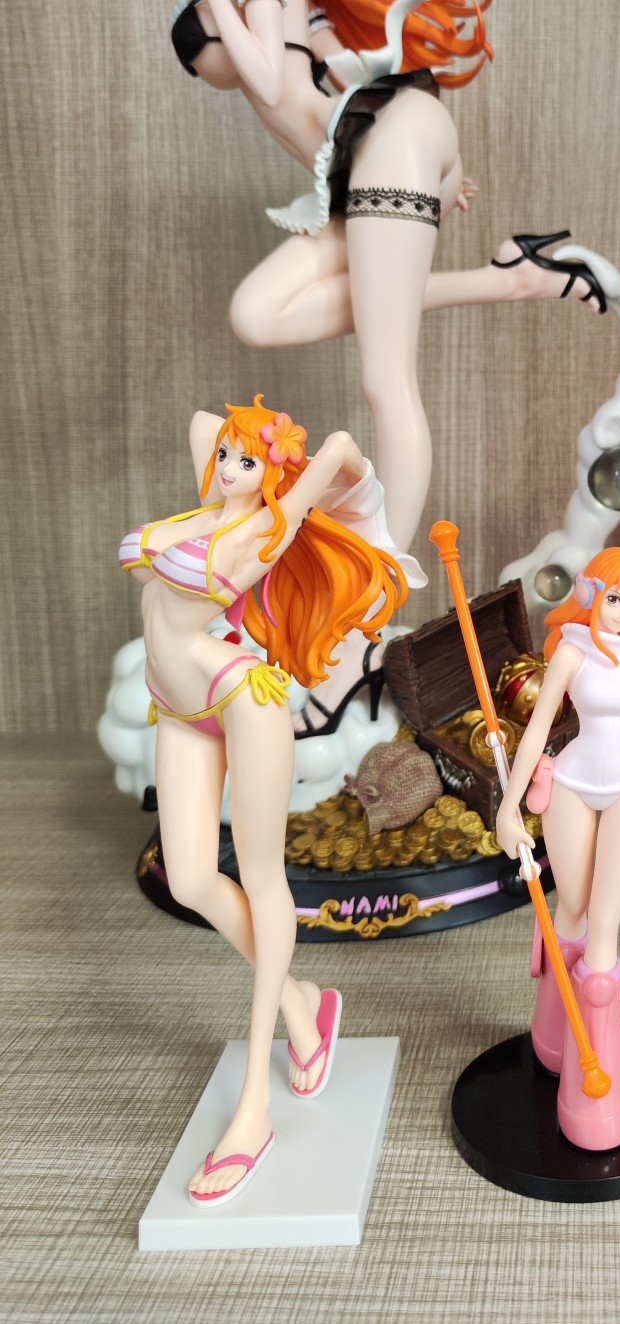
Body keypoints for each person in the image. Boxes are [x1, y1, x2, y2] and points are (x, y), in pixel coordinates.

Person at [116, 0, 607, 725]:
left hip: (383, 148)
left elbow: (270, 76)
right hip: (373, 153)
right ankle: (509, 278)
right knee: (258, 312)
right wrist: (437, 161)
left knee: (388, 381)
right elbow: (338, 68)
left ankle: (367, 608)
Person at [120, 394, 407, 1203]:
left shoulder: (267, 531)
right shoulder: (210, 497)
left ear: (272, 477)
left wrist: (325, 474)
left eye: (246, 463)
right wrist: (251, 436)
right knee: (188, 880)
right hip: (177, 705)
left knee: (259, 876)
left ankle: (254, 1104)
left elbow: (338, 447)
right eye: (226, 458)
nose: (228, 468)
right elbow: (200, 424)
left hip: (240, 698)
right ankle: (301, 1002)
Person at [493, 549, 620, 1150]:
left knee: (605, 924)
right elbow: (538, 728)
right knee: (573, 910)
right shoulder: (572, 650)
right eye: (615, 598)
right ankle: (553, 1036)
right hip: (573, 784)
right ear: (590, 593)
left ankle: (596, 1084)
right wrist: (509, 807)